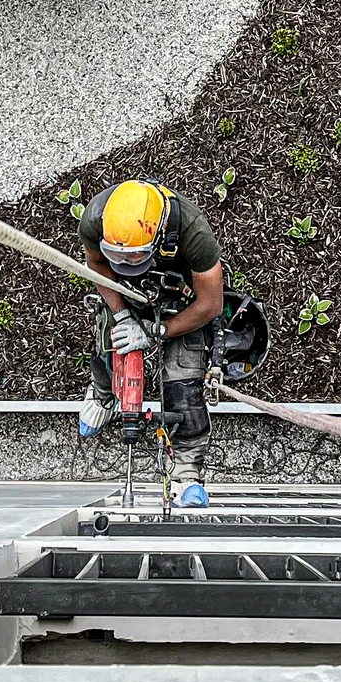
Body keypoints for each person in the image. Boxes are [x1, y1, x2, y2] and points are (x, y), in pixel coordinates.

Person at [75, 178, 224, 506]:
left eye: (134, 254)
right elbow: (98, 266)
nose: (125, 260)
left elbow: (210, 304)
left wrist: (157, 332)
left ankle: (187, 473)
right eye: (120, 254)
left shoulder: (193, 231)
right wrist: (122, 315)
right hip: (126, 291)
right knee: (108, 343)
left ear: (158, 236)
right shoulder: (95, 219)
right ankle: (103, 395)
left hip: (181, 296)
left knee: (183, 385)